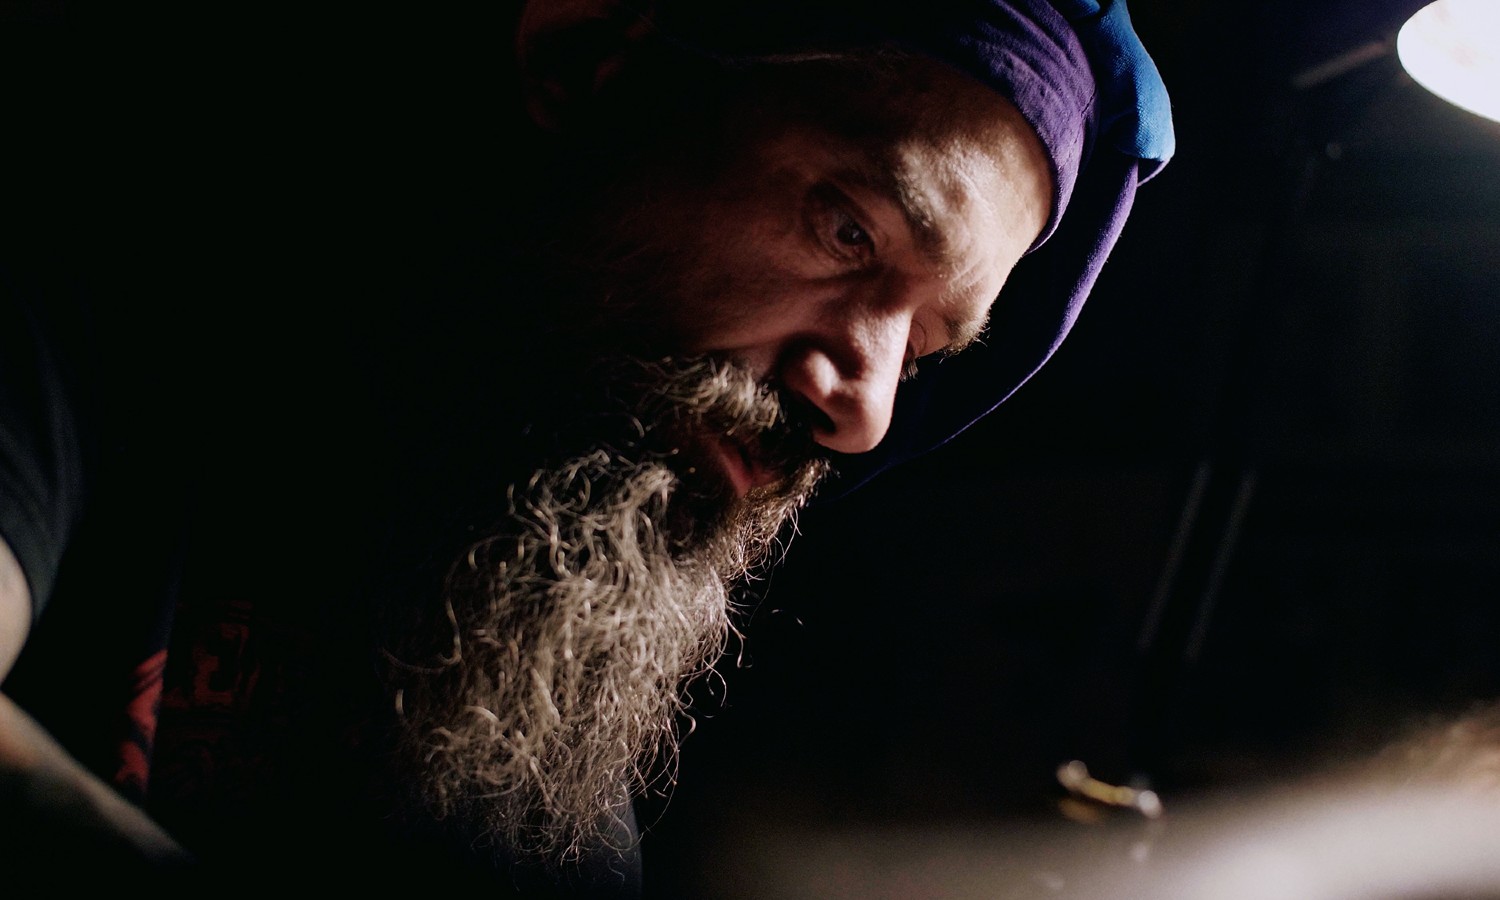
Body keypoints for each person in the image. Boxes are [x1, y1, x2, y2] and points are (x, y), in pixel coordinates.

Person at [0, 0, 1173, 895]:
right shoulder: (115, 254)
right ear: (595, 62)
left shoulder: (529, 679)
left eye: (920, 352)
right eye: (847, 231)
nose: (863, 410)